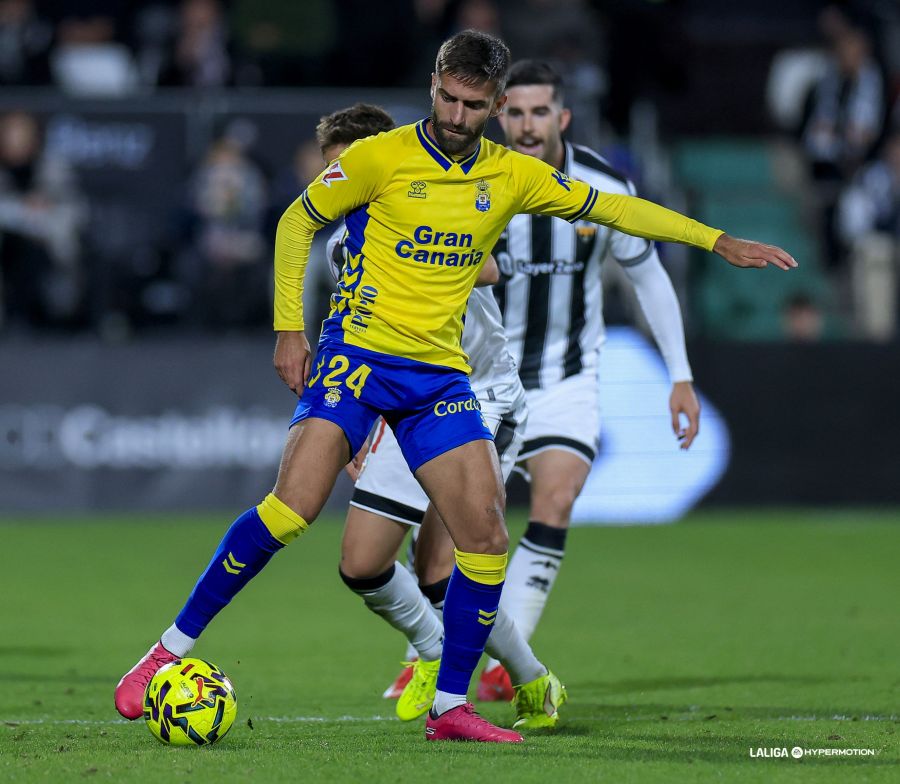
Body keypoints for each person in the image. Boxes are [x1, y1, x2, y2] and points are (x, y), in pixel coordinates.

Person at [114, 29, 796, 744]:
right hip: (358, 362)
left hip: (439, 376)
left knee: (484, 540)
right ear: (434, 85)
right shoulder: (381, 156)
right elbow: (296, 221)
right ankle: (164, 652)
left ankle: (450, 707)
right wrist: (291, 329)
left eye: (474, 104)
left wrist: (715, 240)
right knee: (292, 511)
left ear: (497, 105)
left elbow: (613, 210)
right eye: (446, 96)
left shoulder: (511, 175)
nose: (456, 115)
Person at [319, 105, 566, 730]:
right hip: (398, 402)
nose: (338, 184)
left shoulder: (435, 205)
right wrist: (354, 420)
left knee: (439, 569)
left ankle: (530, 680)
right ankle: (433, 649)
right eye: (330, 171)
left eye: (349, 168)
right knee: (362, 564)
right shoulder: (336, 247)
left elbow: (487, 265)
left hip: (478, 396)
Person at [471, 59, 704, 700]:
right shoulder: (470, 185)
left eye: (538, 111)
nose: (526, 124)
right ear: (499, 117)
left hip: (566, 377)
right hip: (480, 381)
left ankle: (500, 664)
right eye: (513, 112)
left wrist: (679, 375)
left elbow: (649, 274)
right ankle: (428, 649)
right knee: (463, 522)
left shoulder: (603, 186)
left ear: (562, 117)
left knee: (556, 499)